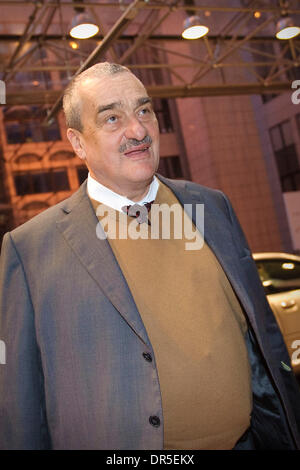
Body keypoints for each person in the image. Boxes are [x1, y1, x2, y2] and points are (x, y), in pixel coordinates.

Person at [0, 62, 300, 451]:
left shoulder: (212, 206)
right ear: (77, 142)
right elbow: (19, 408)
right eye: (112, 118)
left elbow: (262, 336)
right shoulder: (30, 250)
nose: (138, 130)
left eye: (144, 111)